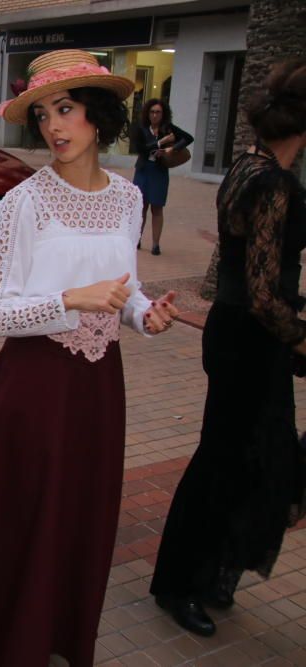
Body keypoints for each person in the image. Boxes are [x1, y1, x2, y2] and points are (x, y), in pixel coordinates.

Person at [0, 50, 180, 667]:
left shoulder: (126, 199)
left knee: (76, 515)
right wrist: (69, 299)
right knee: (17, 517)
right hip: (32, 386)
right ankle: (2, 637)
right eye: (42, 115)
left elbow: (127, 288)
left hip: (98, 386)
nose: (54, 127)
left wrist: (145, 315)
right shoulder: (22, 204)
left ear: (98, 114)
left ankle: (53, 635)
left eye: (65, 110)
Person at [150, 59, 306, 639]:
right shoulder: (273, 182)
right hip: (251, 337)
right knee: (227, 461)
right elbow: (265, 292)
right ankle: (180, 583)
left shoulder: (247, 165)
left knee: (250, 460)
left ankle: (215, 572)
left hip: (238, 331)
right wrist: (301, 335)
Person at [132, 98, 193, 255]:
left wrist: (172, 148)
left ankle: (155, 244)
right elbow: (141, 149)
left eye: (158, 112)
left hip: (159, 172)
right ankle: (137, 239)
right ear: (147, 113)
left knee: (157, 208)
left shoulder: (168, 128)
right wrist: (161, 142)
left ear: (163, 114)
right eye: (152, 112)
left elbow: (188, 138)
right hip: (143, 170)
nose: (155, 115)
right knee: (142, 206)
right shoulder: (141, 128)